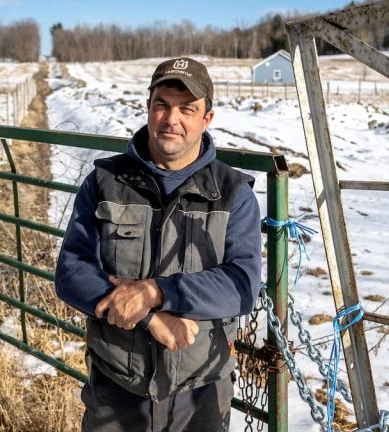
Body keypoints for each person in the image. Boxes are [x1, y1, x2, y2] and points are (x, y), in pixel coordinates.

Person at [55, 57, 262, 432]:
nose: (172, 119)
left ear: (207, 119)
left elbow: (242, 285)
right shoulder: (105, 181)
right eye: (162, 105)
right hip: (116, 387)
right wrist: (150, 318)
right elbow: (72, 273)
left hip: (200, 392)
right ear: (148, 109)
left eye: (188, 109)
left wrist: (155, 292)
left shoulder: (233, 194)